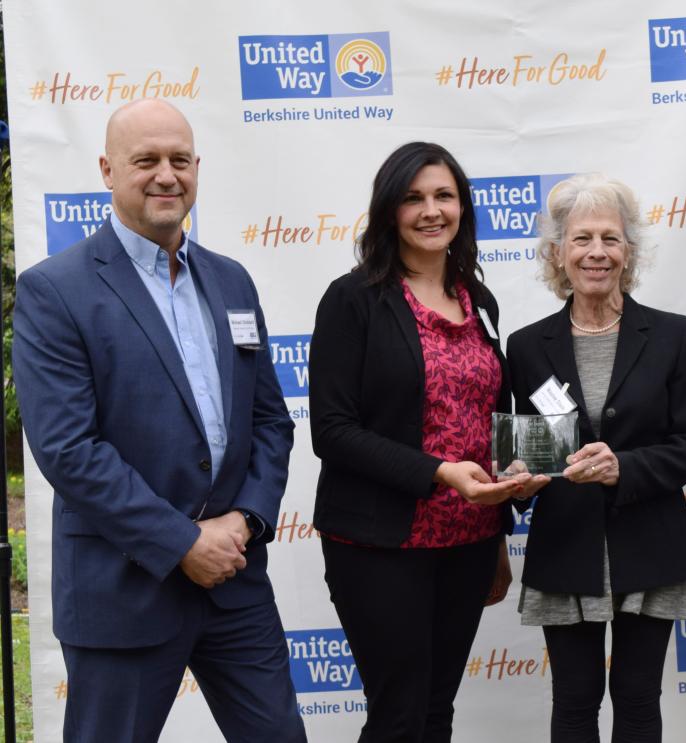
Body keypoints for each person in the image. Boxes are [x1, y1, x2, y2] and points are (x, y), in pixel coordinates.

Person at [12, 100, 305, 742]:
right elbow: (68, 449)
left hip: (234, 582)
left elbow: (270, 423)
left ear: (197, 167)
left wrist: (247, 521)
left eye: (179, 160)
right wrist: (181, 543)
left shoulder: (231, 282)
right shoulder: (55, 291)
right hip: (126, 587)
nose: (165, 175)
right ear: (108, 170)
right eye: (146, 161)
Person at [309, 142, 532, 742]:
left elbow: (487, 414)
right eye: (413, 198)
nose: (431, 211)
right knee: (399, 715)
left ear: (462, 207)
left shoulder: (476, 300)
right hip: (380, 542)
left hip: (468, 542)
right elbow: (331, 431)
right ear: (389, 211)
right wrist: (439, 472)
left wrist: (501, 525)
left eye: (444, 196)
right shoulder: (353, 299)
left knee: (436, 711)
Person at [505, 173, 686, 742]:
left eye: (610, 239)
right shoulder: (525, 346)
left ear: (629, 252)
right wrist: (520, 474)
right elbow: (535, 447)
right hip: (565, 548)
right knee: (574, 701)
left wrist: (626, 468)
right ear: (558, 253)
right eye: (581, 239)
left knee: (639, 698)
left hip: (652, 545)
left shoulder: (674, 337)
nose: (596, 252)